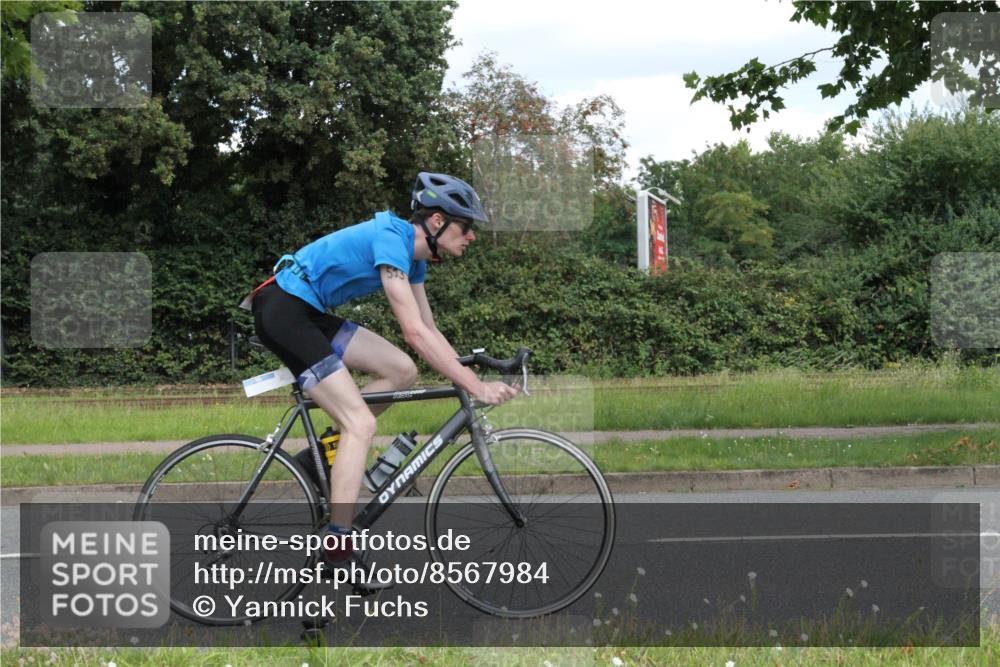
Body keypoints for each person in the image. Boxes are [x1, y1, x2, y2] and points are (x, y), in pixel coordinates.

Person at [245, 172, 519, 587]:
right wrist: (476, 387)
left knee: (401, 370)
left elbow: (429, 327)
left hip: (309, 312)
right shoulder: (392, 239)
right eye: (467, 227)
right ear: (438, 221)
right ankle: (338, 546)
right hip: (284, 310)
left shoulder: (415, 260)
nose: (472, 237)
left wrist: (466, 371)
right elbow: (413, 332)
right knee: (362, 422)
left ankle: (323, 456)